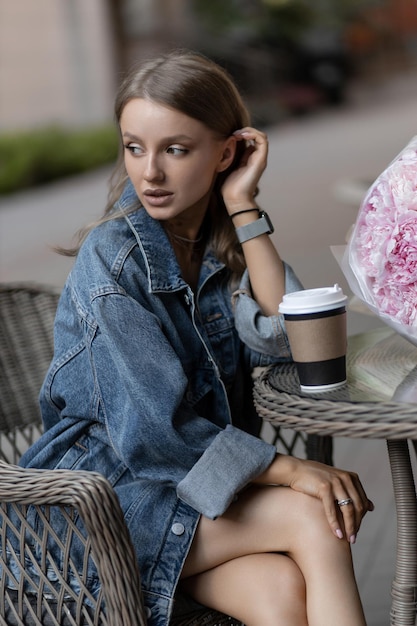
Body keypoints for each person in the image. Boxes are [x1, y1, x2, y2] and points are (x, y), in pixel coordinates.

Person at [20, 49, 374, 626]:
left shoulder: (213, 239)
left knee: (281, 592)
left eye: (175, 150)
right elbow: (156, 434)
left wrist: (242, 203)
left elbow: (286, 339)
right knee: (313, 514)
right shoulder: (114, 261)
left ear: (226, 152)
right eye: (134, 147)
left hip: (187, 496)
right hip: (100, 510)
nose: (149, 172)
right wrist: (290, 471)